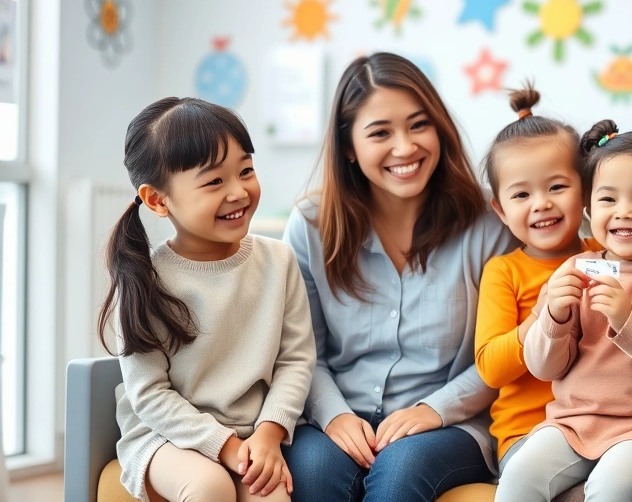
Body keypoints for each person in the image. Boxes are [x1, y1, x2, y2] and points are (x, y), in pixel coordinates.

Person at [281, 53, 516, 502]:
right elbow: (300, 349)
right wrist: (333, 415)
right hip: (336, 412)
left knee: (401, 469)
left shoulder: (490, 223)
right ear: (349, 146)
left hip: (450, 422)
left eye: (418, 125)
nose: (405, 147)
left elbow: (502, 353)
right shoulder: (311, 225)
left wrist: (434, 409)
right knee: (312, 472)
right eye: (380, 133)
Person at [102, 97, 315, 502]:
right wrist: (226, 447)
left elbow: (296, 360)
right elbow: (149, 395)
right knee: (209, 486)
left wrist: (269, 434)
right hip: (166, 436)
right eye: (214, 181)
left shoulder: (279, 260)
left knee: (271, 497)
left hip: (253, 433)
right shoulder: (144, 279)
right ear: (157, 200)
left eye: (246, 171)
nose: (238, 191)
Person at [495, 120, 632, 502]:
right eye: (608, 199)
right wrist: (554, 318)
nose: (624, 212)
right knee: (519, 477)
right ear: (588, 208)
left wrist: (627, 320)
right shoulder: (579, 269)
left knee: (609, 488)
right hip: (572, 422)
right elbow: (544, 368)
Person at [474, 82, 593, 474]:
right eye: (521, 195)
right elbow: (491, 367)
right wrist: (540, 317)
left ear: (586, 190)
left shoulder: (605, 256)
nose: (542, 203)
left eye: (557, 187)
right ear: (501, 210)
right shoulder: (504, 271)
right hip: (528, 433)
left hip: (602, 427)